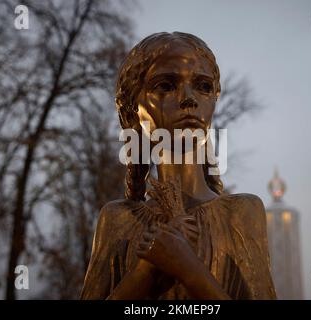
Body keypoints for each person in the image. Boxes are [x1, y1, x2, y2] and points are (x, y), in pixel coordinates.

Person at [80, 32, 276, 300]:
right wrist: (147, 269)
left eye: (204, 86)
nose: (189, 98)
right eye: (165, 85)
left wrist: (189, 269)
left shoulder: (242, 214)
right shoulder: (118, 221)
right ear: (131, 112)